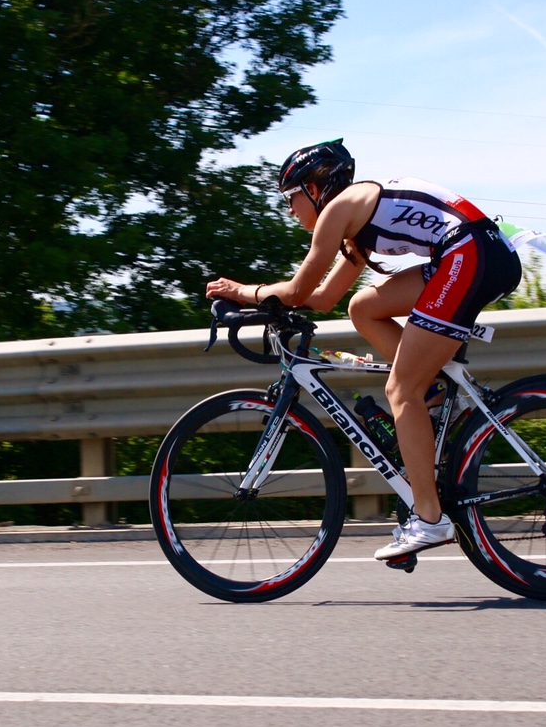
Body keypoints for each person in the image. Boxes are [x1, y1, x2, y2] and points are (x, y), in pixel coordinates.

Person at [205, 139, 522, 560]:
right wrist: (269, 302)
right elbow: (323, 298)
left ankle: (430, 519)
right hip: (474, 251)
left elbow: (299, 289)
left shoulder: (338, 211)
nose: (289, 210)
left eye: (291, 197)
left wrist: (243, 291)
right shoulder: (357, 223)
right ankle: (432, 391)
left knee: (399, 391)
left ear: (316, 188)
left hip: (470, 254)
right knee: (364, 307)